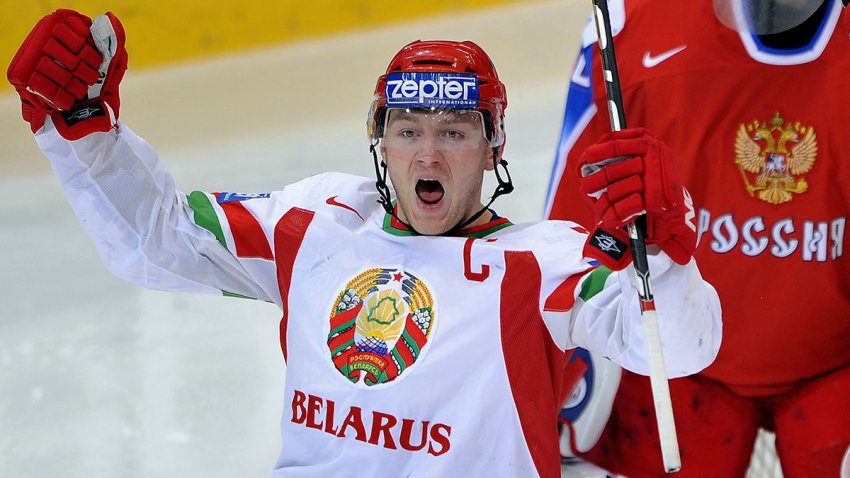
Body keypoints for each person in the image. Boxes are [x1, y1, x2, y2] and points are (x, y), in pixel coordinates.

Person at [7, 9, 722, 477]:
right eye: (408, 131)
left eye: (454, 132)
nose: (429, 157)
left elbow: (686, 349)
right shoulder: (320, 221)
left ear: (494, 145)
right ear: (379, 142)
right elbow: (157, 237)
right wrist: (83, 131)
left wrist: (666, 255)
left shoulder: (543, 262)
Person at [546, 0, 850, 476]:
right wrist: (567, 346)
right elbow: (577, 216)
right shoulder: (631, 26)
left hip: (837, 365)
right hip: (674, 362)